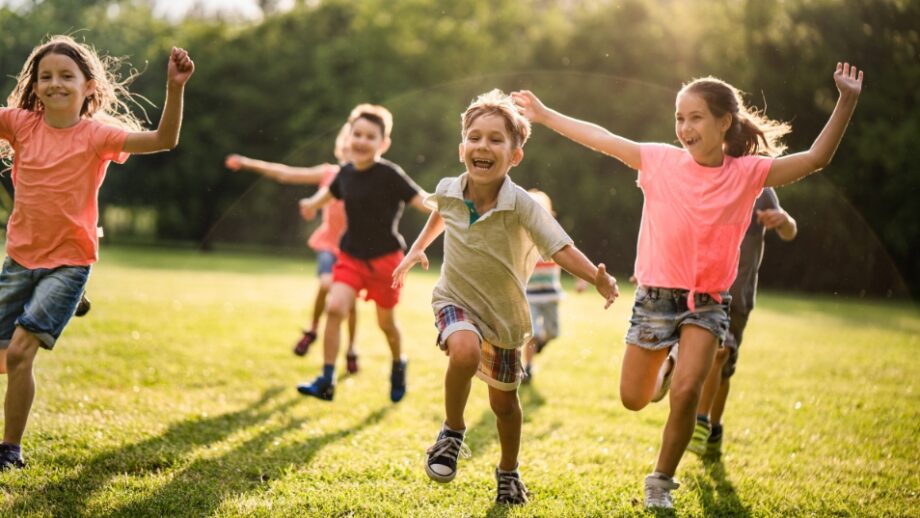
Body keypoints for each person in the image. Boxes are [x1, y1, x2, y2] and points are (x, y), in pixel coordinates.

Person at [512, 62, 863, 509]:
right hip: (654, 300)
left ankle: (661, 479)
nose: (684, 127)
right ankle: (670, 364)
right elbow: (600, 137)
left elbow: (815, 159)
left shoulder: (748, 174)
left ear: (724, 123)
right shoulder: (660, 161)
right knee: (633, 398)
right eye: (679, 117)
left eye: (695, 117)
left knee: (686, 394)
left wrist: (846, 101)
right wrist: (545, 115)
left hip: (709, 303)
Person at [392, 89, 618, 505]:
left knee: (505, 405)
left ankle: (508, 471)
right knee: (463, 352)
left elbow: (560, 247)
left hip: (506, 317)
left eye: (496, 139)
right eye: (474, 137)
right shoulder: (449, 187)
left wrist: (595, 276)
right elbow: (441, 211)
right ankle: (453, 432)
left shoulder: (525, 206)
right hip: (455, 299)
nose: (483, 146)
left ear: (515, 156)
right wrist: (418, 248)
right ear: (462, 148)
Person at [0, 35, 194, 471]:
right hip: (20, 259)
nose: (54, 83)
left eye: (66, 76)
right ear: (34, 86)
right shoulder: (20, 124)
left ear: (89, 86)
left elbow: (164, 139)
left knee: (18, 354)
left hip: (69, 261)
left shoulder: (97, 136)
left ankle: (9, 449)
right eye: (45, 76)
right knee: (3, 360)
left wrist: (175, 87)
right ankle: (66, 304)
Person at [295, 103, 430, 403]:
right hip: (351, 257)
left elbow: (421, 200)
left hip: (386, 262)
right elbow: (328, 194)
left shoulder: (389, 175)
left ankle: (398, 364)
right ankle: (327, 379)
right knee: (335, 308)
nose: (362, 141)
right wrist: (311, 204)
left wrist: (449, 207)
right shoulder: (345, 173)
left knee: (386, 325)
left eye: (371, 136)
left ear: (383, 143)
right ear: (349, 137)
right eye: (357, 134)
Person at [224, 123, 360, 373]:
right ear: (342, 147)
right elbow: (286, 173)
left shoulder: (369, 178)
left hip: (354, 249)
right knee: (326, 284)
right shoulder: (329, 172)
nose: (355, 149)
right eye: (350, 144)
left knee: (349, 304)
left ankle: (351, 348)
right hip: (329, 245)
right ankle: (312, 329)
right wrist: (247, 162)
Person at [687, 188, 797, 457]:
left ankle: (709, 426)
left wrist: (782, 219)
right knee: (716, 357)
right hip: (705, 292)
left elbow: (790, 231)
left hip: (738, 297)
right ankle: (706, 424)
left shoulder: (761, 190)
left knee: (722, 364)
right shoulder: (709, 179)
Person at [521, 189, 564, 383]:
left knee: (553, 333)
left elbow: (567, 256)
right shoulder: (523, 235)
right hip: (530, 295)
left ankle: (538, 346)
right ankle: (528, 368)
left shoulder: (553, 234)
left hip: (551, 293)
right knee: (533, 334)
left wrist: (582, 279)